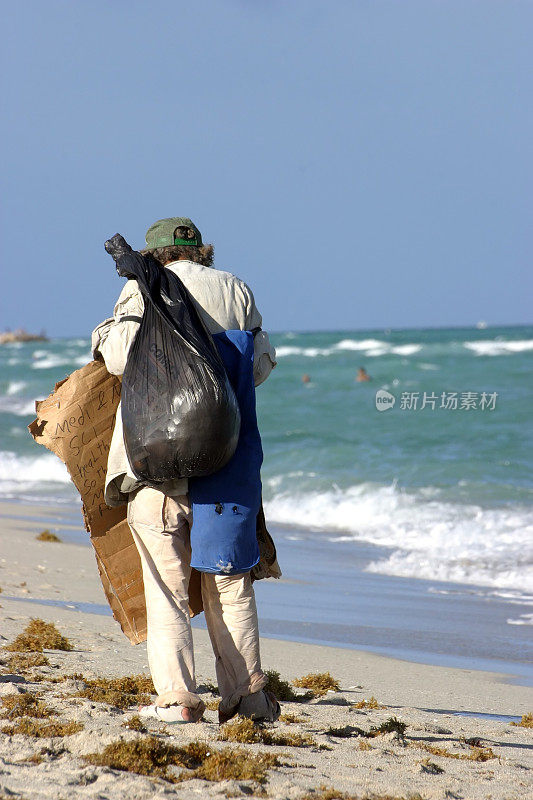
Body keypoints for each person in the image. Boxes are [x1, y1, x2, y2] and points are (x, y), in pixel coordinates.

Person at [92, 217, 278, 724]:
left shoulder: (140, 290)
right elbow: (259, 366)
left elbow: (118, 358)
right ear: (202, 251)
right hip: (226, 464)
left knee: (167, 588)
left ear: (154, 257)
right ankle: (248, 700)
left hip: (155, 467)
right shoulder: (235, 289)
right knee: (229, 583)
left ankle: (178, 700)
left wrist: (103, 331)